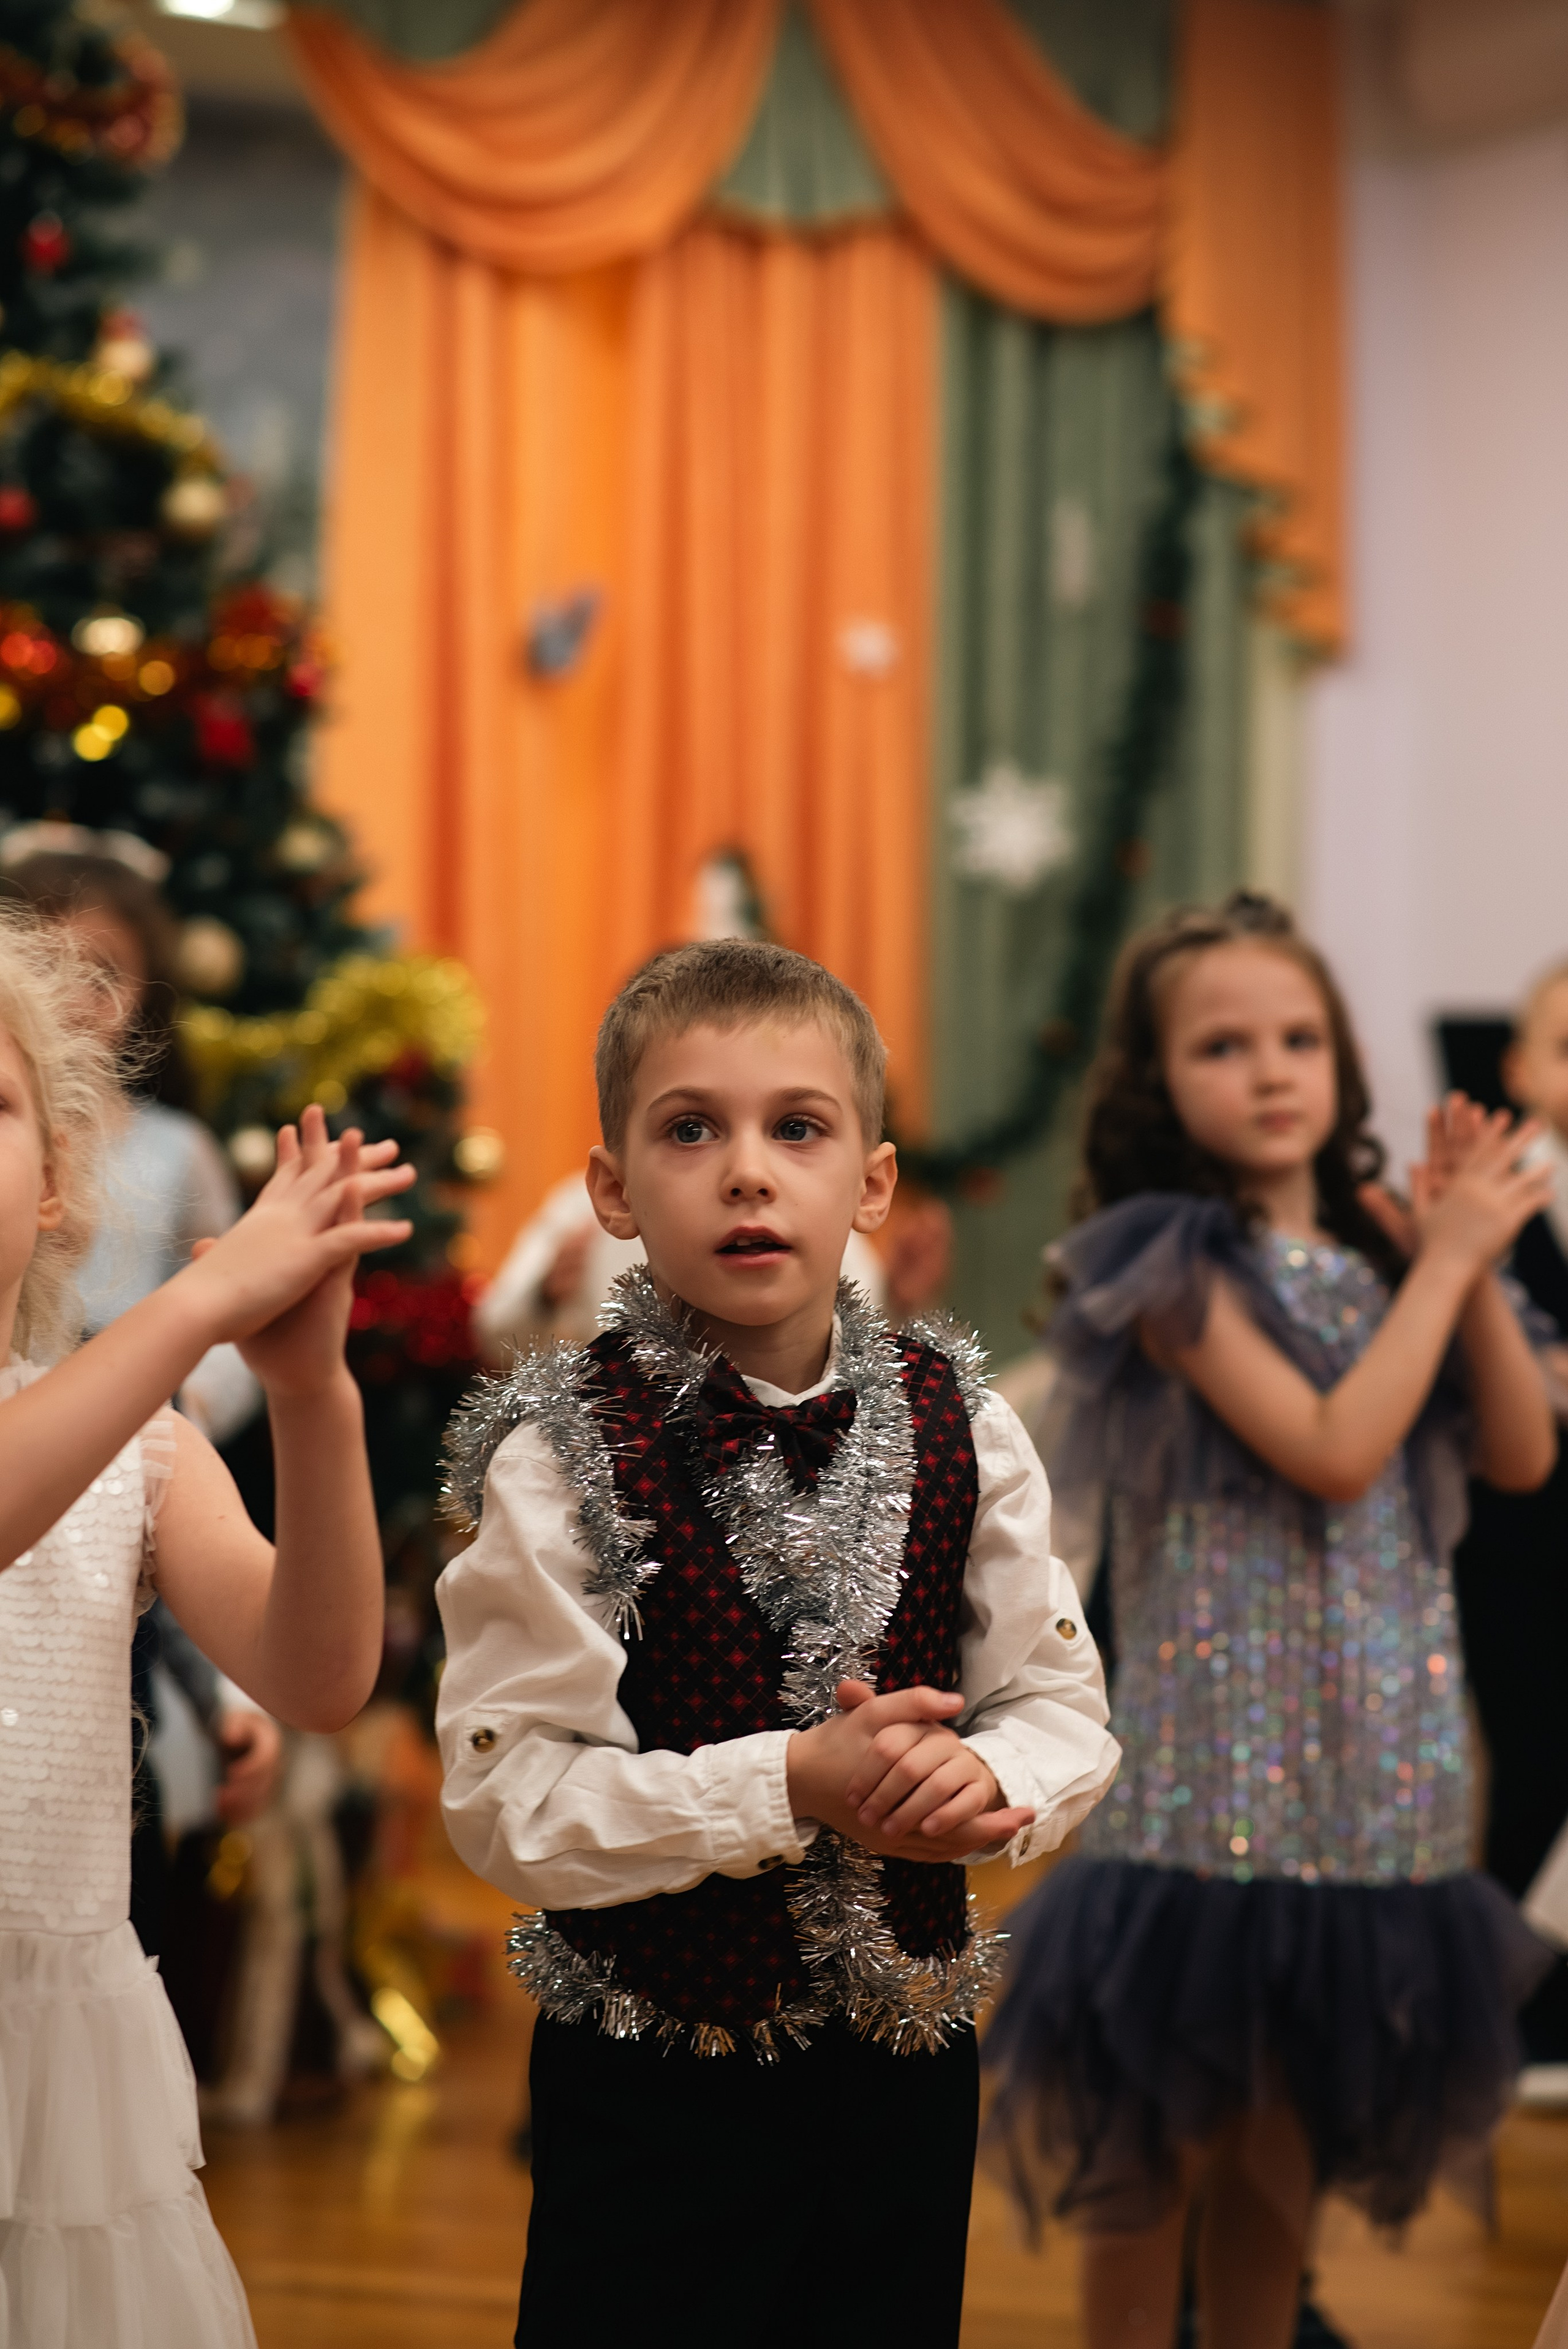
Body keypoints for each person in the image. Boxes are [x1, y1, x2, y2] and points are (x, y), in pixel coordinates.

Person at [435, 938, 1120, 2349]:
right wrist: (786, 1783)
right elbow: (510, 1800)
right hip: (648, 2083)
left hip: (902, 2073)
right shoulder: (561, 1455)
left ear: (868, 1181)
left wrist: (994, 1790)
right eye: (691, 1129)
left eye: (795, 1128)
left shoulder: (964, 1423)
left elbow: (1057, 1703)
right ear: (613, 1189)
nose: (746, 1171)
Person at [982, 892, 1556, 2349]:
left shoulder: (1382, 1243)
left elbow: (1518, 1451)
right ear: (1154, 1079)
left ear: (1343, 1060)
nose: (1270, 1069)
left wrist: (1460, 1257)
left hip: (1369, 1788)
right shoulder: (1162, 1262)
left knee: (1275, 2177)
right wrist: (1439, 1265)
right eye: (1222, 1044)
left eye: (1298, 1036)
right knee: (1152, 2171)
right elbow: (1329, 1444)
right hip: (1200, 1795)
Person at [0, 903, 414, 2345]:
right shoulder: (137, 1373)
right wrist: (196, 1301)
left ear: (55, 1180)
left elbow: (317, 1673)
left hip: (61, 2057)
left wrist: (310, 1397)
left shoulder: (140, 1445)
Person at [1452, 961, 1568, 2101]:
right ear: (1522, 1070)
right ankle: (1520, 2015)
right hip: (1522, 1536)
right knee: (1533, 1758)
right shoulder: (1496, 1198)